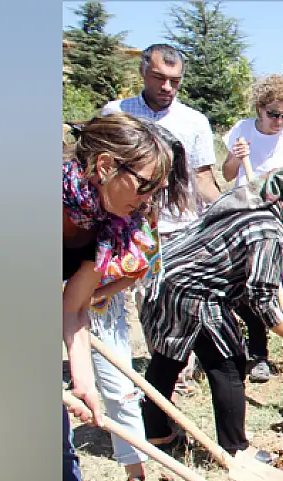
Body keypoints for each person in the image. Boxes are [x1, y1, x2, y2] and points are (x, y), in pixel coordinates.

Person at [139, 164, 283, 461]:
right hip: (193, 291)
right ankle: (237, 449)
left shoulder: (256, 213)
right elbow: (261, 299)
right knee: (227, 362)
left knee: (168, 359)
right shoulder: (268, 232)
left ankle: (156, 433)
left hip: (172, 279)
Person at [63, 113, 186, 481]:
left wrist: (82, 381)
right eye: (145, 185)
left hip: (78, 301)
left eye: (158, 189)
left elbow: (73, 306)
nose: (149, 198)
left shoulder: (109, 225)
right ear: (104, 167)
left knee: (116, 390)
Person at [103, 43, 221, 396]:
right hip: (127, 228)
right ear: (143, 73)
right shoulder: (117, 114)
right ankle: (138, 376)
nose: (167, 87)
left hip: (179, 228)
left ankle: (176, 376)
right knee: (140, 303)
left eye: (175, 81)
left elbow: (202, 178)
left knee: (176, 303)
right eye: (159, 78)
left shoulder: (193, 122)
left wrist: (228, 209)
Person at [221, 74, 283, 383]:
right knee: (252, 289)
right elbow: (227, 173)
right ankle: (258, 354)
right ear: (259, 108)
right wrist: (237, 158)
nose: (280, 121)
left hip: (282, 222)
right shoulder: (243, 131)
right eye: (274, 114)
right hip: (246, 221)